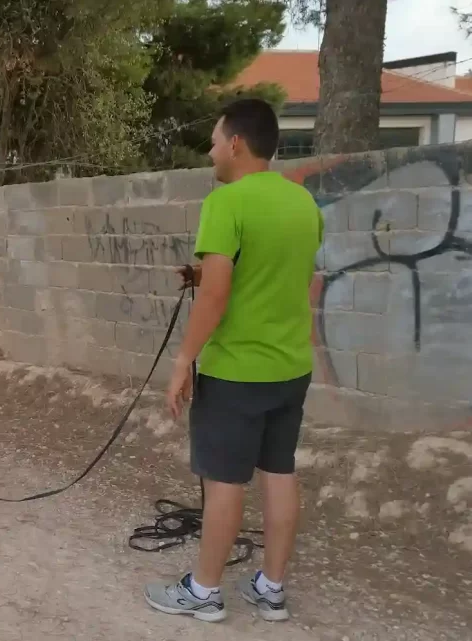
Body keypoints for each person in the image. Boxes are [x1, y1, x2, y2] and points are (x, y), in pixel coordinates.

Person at [143, 98, 324, 623]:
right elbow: (285, 276)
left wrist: (182, 361)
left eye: (216, 139)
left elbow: (218, 296)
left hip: (236, 372)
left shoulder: (226, 204)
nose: (211, 149)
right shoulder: (303, 205)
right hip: (291, 367)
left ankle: (204, 593)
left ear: (237, 144)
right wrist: (203, 276)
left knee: (225, 481)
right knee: (279, 472)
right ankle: (271, 587)